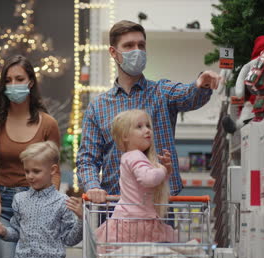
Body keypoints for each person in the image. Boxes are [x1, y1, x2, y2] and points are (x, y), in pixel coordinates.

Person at [77, 20, 222, 203]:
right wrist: (92, 186)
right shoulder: (98, 107)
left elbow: (189, 96)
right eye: (129, 46)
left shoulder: (162, 92)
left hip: (160, 204)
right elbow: (87, 158)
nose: (137, 51)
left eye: (141, 45)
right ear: (114, 52)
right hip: (116, 205)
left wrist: (202, 84)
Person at [0, 55, 61, 258]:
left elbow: (55, 170)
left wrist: (51, 204)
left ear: (31, 82)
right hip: (4, 205)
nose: (13, 85)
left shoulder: (48, 124)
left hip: (36, 204)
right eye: (8, 81)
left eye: (19, 79)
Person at [0, 141, 84, 258]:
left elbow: (70, 240)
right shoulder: (19, 199)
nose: (30, 176)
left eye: (36, 171)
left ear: (52, 170)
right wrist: (3, 231)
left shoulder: (63, 202)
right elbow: (18, 233)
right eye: (27, 171)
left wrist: (81, 219)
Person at [95, 110, 177, 248]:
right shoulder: (135, 156)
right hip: (135, 222)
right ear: (125, 136)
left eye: (148, 126)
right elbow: (149, 179)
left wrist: (165, 170)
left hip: (132, 220)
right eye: (139, 127)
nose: (147, 130)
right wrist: (162, 169)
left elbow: (149, 183)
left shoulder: (132, 156)